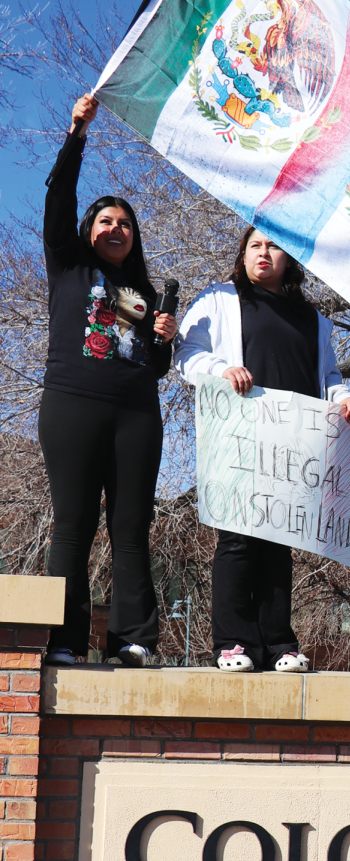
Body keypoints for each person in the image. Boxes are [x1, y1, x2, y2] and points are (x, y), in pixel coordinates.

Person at [175, 227, 350, 673]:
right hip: (238, 439)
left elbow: (330, 376)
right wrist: (222, 369)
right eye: (254, 246)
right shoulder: (219, 300)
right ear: (242, 255)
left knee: (281, 543)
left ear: (290, 258)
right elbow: (186, 354)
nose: (263, 253)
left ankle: (279, 644)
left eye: (273, 246)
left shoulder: (313, 318)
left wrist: (344, 398)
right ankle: (234, 644)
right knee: (238, 538)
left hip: (293, 446)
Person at [38, 93, 178, 668]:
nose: (116, 228)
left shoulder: (141, 296)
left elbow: (150, 363)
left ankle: (132, 639)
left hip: (136, 414)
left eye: (125, 224)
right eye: (106, 221)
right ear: (88, 230)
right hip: (73, 404)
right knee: (74, 523)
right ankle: (65, 641)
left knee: (131, 526)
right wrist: (77, 133)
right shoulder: (69, 264)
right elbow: (56, 197)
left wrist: (164, 340)